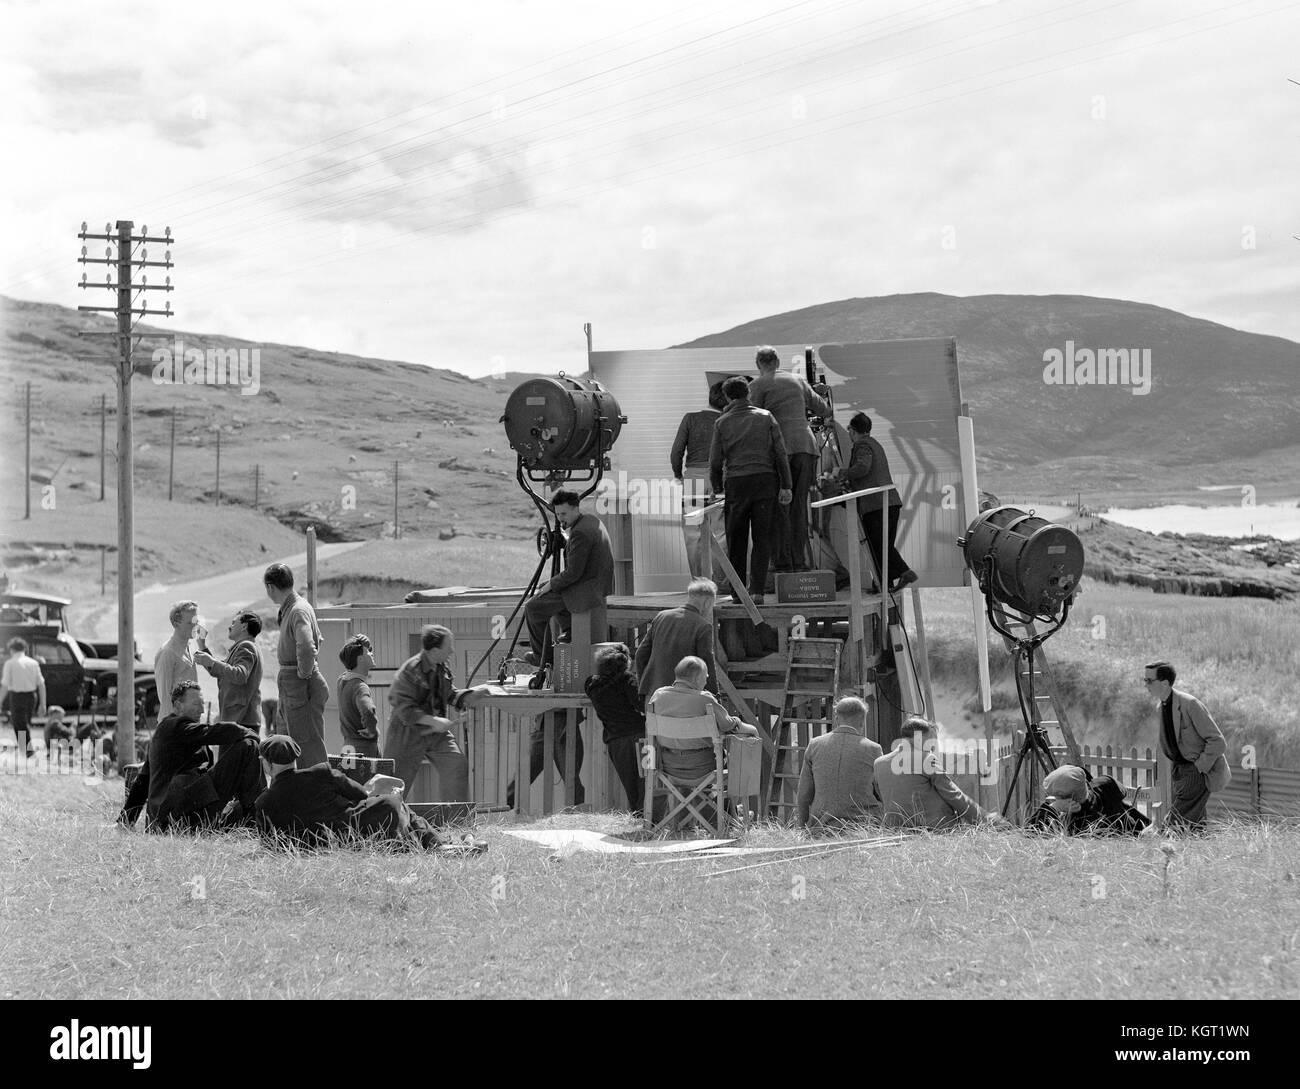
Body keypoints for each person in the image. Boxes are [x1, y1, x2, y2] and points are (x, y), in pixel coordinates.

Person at [253, 735, 486, 854]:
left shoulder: (263, 803)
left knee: (397, 811)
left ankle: (440, 844)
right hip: (357, 830)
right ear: (295, 759)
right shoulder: (321, 772)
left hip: (324, 847)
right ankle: (440, 843)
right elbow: (361, 795)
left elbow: (270, 846)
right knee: (394, 803)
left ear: (267, 765)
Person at [118, 681, 263, 832]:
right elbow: (215, 732)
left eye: (203, 704)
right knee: (248, 746)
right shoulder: (174, 726)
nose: (201, 710)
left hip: (172, 816)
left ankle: (256, 813)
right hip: (177, 816)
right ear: (178, 706)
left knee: (240, 809)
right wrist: (249, 733)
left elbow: (143, 780)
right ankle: (260, 816)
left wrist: (126, 820)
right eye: (196, 704)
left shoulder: (168, 731)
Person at [708, 376, 792, 604]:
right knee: (762, 538)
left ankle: (738, 592)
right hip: (765, 482)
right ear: (749, 394)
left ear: (726, 397)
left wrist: (716, 487)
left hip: (736, 484)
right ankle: (756, 591)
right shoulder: (766, 418)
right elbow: (780, 453)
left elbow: (715, 461)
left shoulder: (722, 423)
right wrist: (786, 484)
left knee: (737, 540)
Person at [385, 624, 490, 802]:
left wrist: (470, 695)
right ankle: (384, 824)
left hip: (435, 733)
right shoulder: (410, 671)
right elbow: (403, 709)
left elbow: (449, 694)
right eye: (448, 647)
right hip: (406, 734)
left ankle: (455, 822)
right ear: (434, 650)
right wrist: (434, 721)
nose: (452, 651)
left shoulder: (441, 667)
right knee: (393, 785)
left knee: (456, 765)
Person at [748, 346, 831, 572]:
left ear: (759, 364)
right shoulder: (797, 380)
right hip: (805, 446)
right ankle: (800, 562)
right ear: (777, 361)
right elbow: (823, 409)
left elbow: (750, 417)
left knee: (778, 507)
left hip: (778, 450)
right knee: (798, 507)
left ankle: (783, 564)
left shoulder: (757, 385)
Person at [524, 490, 615, 665]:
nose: (560, 519)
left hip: (586, 588)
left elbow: (573, 573)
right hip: (596, 583)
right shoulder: (591, 521)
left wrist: (552, 584)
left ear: (575, 509)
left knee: (533, 607)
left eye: (563, 514)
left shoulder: (580, 532)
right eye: (557, 514)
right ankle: (569, 630)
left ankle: (543, 657)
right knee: (547, 589)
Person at [875, 716, 1004, 830]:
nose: (933, 747)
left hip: (895, 831)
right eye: (931, 741)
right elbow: (953, 795)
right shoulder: (926, 758)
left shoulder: (879, 764)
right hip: (935, 831)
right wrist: (985, 819)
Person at [1145, 661, 1229, 832]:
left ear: (1165, 683)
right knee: (1195, 829)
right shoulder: (1161, 707)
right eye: (1144, 680)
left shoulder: (1190, 704)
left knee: (1172, 827)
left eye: (1149, 680)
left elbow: (1217, 741)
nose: (1145, 684)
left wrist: (1200, 766)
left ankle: (1165, 855)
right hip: (1179, 772)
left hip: (1196, 772)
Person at [645, 655, 758, 780]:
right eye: (706, 677)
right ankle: (739, 798)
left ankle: (695, 799)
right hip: (705, 769)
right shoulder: (704, 699)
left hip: (668, 769)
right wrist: (751, 729)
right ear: (697, 678)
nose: (706, 681)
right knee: (748, 741)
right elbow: (728, 726)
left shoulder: (658, 696)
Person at [840, 413, 917, 592]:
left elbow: (862, 468)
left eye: (849, 429)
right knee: (883, 545)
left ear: (853, 430)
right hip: (890, 502)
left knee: (878, 546)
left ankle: (905, 572)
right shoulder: (875, 444)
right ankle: (885, 584)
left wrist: (842, 473)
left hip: (876, 504)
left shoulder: (862, 445)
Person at [264, 563, 328, 768]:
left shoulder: (297, 610)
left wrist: (303, 673)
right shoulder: (297, 608)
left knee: (306, 747)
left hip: (298, 684)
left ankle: (317, 794)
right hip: (293, 684)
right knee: (289, 745)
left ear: (270, 587)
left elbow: (307, 646)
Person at [795, 697, 884, 832]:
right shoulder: (873, 749)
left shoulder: (815, 745)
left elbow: (804, 794)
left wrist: (802, 827)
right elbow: (882, 791)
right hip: (863, 828)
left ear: (836, 718)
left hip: (821, 827)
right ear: (862, 721)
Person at [672, 382, 727, 580]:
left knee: (693, 533)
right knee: (720, 532)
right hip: (718, 477)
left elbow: (676, 452)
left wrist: (678, 474)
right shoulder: (726, 420)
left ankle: (698, 581)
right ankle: (721, 582)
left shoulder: (690, 419)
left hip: (693, 478)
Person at [583, 644, 646, 817]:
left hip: (615, 739)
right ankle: (648, 819)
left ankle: (638, 817)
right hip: (640, 736)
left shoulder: (591, 684)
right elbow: (641, 705)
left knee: (630, 783)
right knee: (646, 782)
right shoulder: (627, 679)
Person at [634, 578, 720, 701]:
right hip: (683, 697)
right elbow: (707, 664)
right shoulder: (703, 626)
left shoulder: (661, 617)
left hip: (653, 695)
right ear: (707, 602)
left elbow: (640, 655)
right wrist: (715, 697)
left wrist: (643, 686)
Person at [1026, 764, 1149, 836]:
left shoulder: (1075, 822)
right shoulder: (1106, 784)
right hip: (1138, 833)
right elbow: (1123, 792)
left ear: (1068, 800)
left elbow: (1028, 833)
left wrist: (1054, 808)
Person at [194, 611, 263, 730]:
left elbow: (239, 675)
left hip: (241, 719)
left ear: (244, 626)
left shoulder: (246, 646)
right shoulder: (243, 647)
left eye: (233, 623)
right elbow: (220, 670)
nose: (229, 627)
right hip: (239, 719)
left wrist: (211, 662)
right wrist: (202, 645)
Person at [153, 601, 200, 717]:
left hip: (189, 721)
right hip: (175, 725)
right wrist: (173, 726)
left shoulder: (190, 647)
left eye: (196, 622)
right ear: (176, 623)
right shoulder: (167, 652)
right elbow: (164, 698)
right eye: (190, 623)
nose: (195, 626)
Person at [337, 634, 381, 759]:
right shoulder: (360, 687)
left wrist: (365, 646)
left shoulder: (342, 681)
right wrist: (372, 731)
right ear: (360, 659)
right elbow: (368, 711)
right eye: (368, 652)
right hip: (364, 751)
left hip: (348, 747)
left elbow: (352, 657)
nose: (372, 654)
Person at [1, 636, 45, 757]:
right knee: (24, 723)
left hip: (16, 697)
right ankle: (25, 750)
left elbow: (5, 685)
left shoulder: (10, 663)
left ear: (12, 650)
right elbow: (41, 685)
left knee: (19, 724)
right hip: (32, 697)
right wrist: (43, 704)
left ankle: (28, 751)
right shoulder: (34, 663)